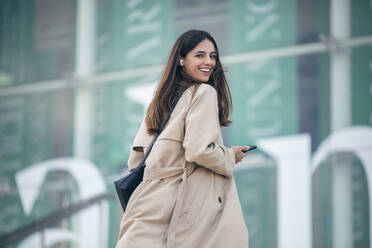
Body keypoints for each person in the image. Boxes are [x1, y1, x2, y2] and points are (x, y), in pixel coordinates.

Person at [116, 30, 249, 248]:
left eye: (213, 56)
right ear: (181, 59)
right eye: (200, 55)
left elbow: (136, 160)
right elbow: (200, 150)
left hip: (146, 203)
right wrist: (229, 156)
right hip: (182, 206)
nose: (209, 62)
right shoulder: (203, 93)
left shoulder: (160, 102)